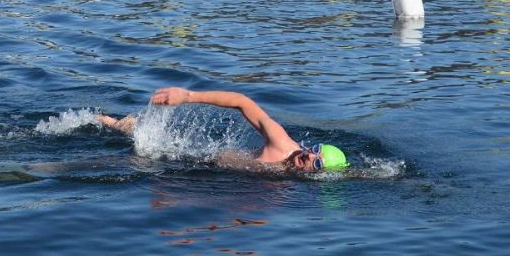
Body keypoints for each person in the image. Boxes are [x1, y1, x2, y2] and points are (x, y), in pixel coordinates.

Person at [98, 86, 348, 172]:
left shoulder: (287, 184)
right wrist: (187, 96)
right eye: (316, 150)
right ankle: (107, 122)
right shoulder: (282, 143)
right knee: (138, 156)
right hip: (194, 161)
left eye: (317, 163)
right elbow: (242, 102)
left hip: (199, 168)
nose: (310, 156)